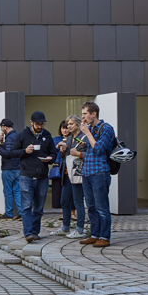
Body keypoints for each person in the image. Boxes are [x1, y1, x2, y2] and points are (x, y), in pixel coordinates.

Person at [7, 111, 56, 242]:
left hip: (42, 177)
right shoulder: (22, 136)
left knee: (39, 207)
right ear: (31, 123)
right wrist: (25, 151)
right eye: (38, 124)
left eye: (42, 124)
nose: (40, 127)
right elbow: (12, 152)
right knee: (27, 206)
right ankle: (28, 233)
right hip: (26, 176)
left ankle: (35, 232)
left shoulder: (47, 135)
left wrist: (50, 158)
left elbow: (53, 152)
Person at [78, 102, 117, 248]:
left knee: (102, 207)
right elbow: (91, 149)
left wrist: (87, 134)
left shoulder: (106, 128)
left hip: (100, 172)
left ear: (94, 114)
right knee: (91, 206)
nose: (83, 117)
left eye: (85, 114)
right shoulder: (91, 129)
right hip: (87, 171)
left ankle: (104, 237)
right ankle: (94, 234)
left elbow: (100, 148)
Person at [62, 115, 88, 238]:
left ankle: (80, 229)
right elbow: (67, 156)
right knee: (64, 201)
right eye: (68, 124)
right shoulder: (69, 138)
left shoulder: (84, 137)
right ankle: (65, 227)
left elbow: (90, 154)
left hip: (77, 173)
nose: (68, 126)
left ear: (77, 124)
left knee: (78, 202)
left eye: (71, 124)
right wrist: (63, 150)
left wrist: (78, 153)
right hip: (67, 174)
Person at [0, 119, 21, 219]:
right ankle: (21, 213)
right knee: (17, 191)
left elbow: (8, 154)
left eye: (1, 127)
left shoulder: (10, 138)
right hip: (17, 168)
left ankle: (9, 213)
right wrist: (2, 143)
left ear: (5, 127)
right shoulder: (16, 136)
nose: (1, 129)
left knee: (8, 191)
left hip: (9, 168)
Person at [49, 120, 71, 236]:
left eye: (67, 127)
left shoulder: (73, 138)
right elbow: (52, 152)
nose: (65, 130)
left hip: (69, 169)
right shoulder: (56, 139)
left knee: (72, 195)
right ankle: (65, 215)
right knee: (60, 195)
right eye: (63, 128)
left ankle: (72, 215)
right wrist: (58, 147)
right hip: (58, 168)